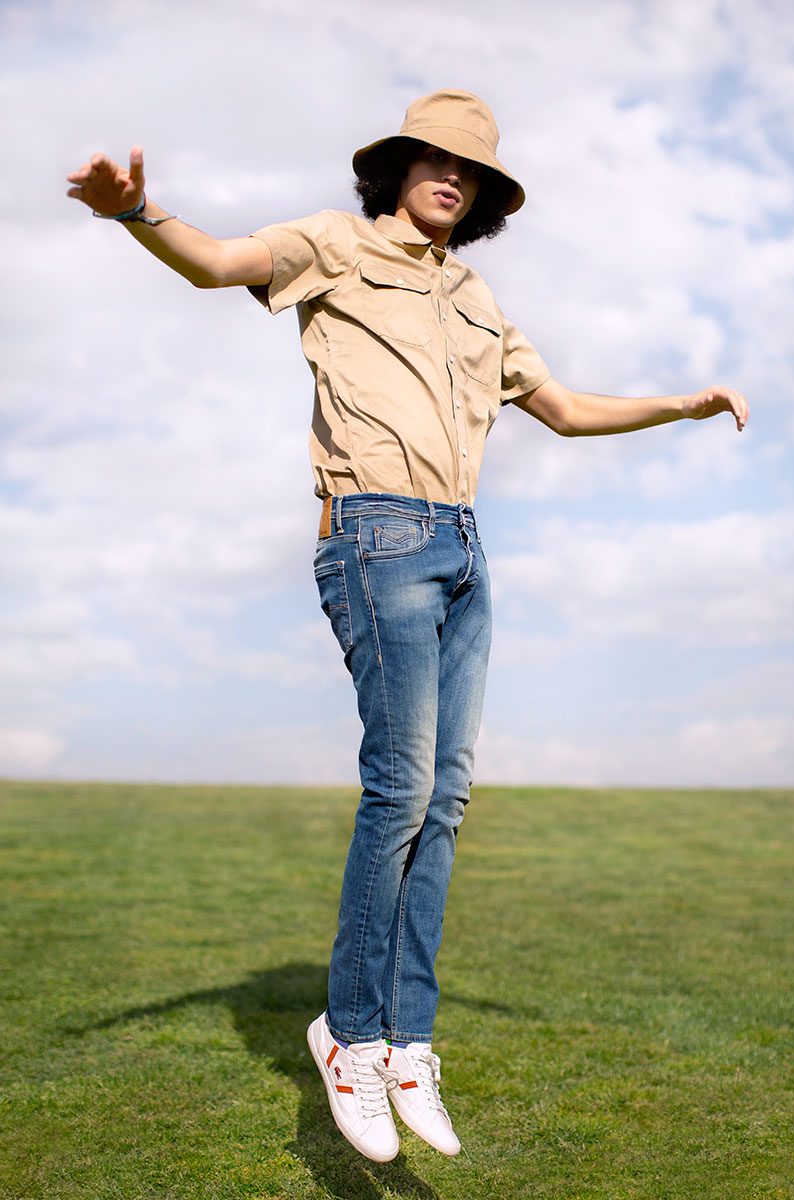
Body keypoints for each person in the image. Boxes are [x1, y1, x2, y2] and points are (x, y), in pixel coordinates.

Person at [67, 88, 748, 1164]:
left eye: (471, 170)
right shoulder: (333, 246)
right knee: (402, 785)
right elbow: (216, 262)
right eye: (436, 159)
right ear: (396, 168)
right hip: (375, 535)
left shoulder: (475, 297)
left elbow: (564, 410)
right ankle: (348, 1034)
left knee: (447, 797)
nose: (452, 177)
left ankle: (406, 1043)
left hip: (464, 547)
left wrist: (679, 405)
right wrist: (135, 213)